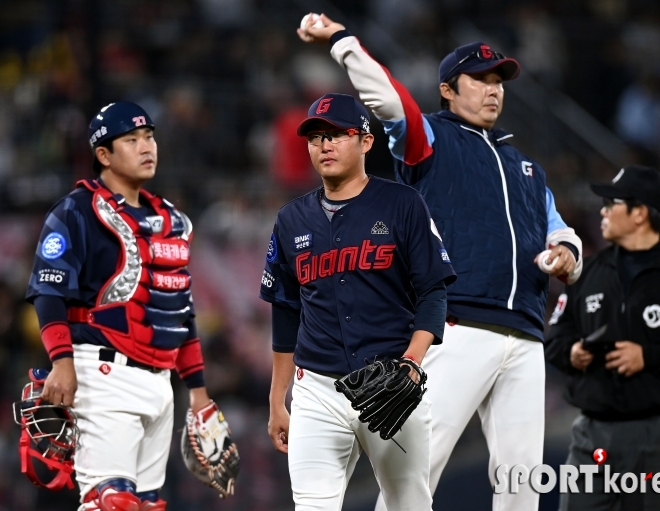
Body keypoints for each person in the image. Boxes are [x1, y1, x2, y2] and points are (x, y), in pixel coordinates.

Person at [298, 14, 583, 511]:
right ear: (448, 90)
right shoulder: (428, 138)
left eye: (499, 81)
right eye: (481, 79)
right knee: (413, 475)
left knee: (522, 484)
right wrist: (342, 42)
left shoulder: (526, 167)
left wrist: (568, 256)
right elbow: (386, 99)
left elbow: (561, 230)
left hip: (526, 333)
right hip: (457, 325)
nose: (493, 90)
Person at [26, 102, 231, 511]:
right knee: (112, 503)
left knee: (148, 505)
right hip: (102, 373)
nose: (146, 147)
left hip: (161, 384)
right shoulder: (77, 212)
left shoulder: (172, 220)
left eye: (149, 137)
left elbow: (179, 313)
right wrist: (61, 362)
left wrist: (199, 394)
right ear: (104, 154)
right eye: (131, 140)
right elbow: (48, 293)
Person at [260, 93, 456, 511]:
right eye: (316, 137)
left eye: (337, 135)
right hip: (316, 390)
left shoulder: (403, 204)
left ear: (366, 141)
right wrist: (278, 400)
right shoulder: (290, 219)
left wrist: (412, 362)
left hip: (390, 380)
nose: (324, 145)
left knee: (410, 505)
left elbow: (434, 291)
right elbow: (285, 311)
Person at [545, 165, 660, 511]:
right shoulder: (588, 273)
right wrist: (572, 352)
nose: (602, 210)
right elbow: (555, 337)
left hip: (657, 434)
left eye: (611, 203)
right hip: (592, 432)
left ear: (639, 213)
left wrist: (648, 356)